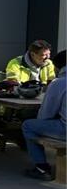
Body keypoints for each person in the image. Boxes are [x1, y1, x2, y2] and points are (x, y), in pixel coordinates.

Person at [22, 50, 66, 180]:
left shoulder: (59, 83)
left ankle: (41, 168)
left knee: (28, 126)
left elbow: (46, 114)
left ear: (58, 67)